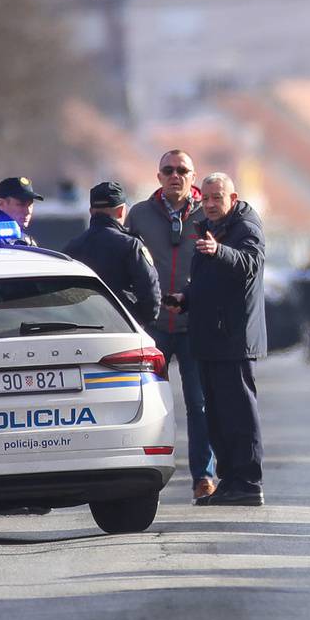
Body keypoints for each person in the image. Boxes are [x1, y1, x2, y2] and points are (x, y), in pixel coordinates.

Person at [168, 172, 268, 506]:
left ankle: (248, 483)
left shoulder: (245, 228)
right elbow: (209, 282)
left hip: (233, 340)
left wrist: (219, 250)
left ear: (233, 198)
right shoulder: (212, 229)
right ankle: (230, 481)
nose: (209, 204)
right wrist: (186, 298)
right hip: (210, 338)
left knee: (239, 413)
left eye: (217, 198)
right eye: (206, 198)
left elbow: (248, 265)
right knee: (217, 416)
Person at [128, 150, 215, 500]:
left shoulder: (207, 213)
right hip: (154, 325)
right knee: (147, 402)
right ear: (158, 176)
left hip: (194, 325)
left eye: (182, 170)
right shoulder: (140, 215)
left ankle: (203, 477)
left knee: (199, 404)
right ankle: (142, 478)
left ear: (193, 176)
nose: (175, 176)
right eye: (168, 170)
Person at [62, 181, 161, 328]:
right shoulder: (130, 245)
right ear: (121, 211)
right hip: (122, 329)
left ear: (91, 211)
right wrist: (136, 322)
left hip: (82, 328)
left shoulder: (72, 247)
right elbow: (151, 296)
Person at [0, 176, 44, 246]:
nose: (28, 211)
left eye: (30, 205)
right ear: (1, 204)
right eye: (21, 204)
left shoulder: (27, 241)